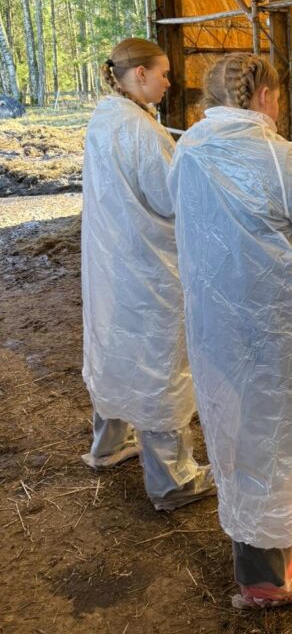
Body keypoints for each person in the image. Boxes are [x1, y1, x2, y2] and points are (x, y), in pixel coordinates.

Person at [166, 53, 292, 609]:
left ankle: (271, 551)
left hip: (216, 318)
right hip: (274, 323)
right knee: (276, 432)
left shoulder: (189, 147)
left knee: (237, 426)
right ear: (265, 96)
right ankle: (265, 579)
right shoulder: (278, 156)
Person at [80, 37, 214, 512]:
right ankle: (172, 480)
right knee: (161, 358)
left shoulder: (104, 118)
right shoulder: (141, 130)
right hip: (149, 263)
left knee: (115, 344)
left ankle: (109, 444)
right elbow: (169, 197)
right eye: (164, 73)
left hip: (111, 258)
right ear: (140, 74)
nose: (169, 82)